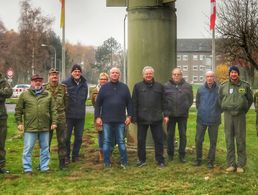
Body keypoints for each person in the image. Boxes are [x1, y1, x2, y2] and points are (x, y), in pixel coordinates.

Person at [15, 74, 57, 174]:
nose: (37, 82)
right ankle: (27, 168)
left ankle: (44, 167)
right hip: (30, 127)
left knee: (45, 148)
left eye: (39, 80)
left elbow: (53, 110)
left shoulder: (48, 94)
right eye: (35, 80)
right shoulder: (24, 95)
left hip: (45, 126)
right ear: (31, 82)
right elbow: (18, 110)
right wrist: (19, 122)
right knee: (28, 148)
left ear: (42, 82)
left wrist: (54, 122)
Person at [94, 67, 133, 169]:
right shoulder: (104, 88)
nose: (115, 74)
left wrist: (129, 116)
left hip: (121, 120)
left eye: (116, 73)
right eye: (113, 73)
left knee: (121, 141)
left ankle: (124, 162)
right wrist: (97, 117)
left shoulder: (124, 87)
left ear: (119, 75)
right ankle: (106, 163)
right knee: (106, 141)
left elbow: (129, 103)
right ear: (110, 75)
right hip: (106, 120)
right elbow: (98, 104)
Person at [219, 65, 253, 173]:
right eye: (232, 72)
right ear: (229, 74)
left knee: (240, 140)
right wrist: (225, 107)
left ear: (238, 74)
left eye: (235, 72)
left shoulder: (245, 86)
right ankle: (231, 164)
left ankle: (240, 165)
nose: (233, 74)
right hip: (228, 115)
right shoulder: (223, 86)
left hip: (240, 116)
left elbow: (250, 100)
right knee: (229, 139)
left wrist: (243, 109)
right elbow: (220, 99)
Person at [132, 66, 167, 168]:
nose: (148, 75)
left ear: (153, 74)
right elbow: (134, 102)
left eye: (150, 73)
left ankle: (160, 160)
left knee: (159, 140)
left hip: (156, 118)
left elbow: (164, 102)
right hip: (142, 118)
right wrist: (134, 117)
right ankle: (141, 160)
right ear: (143, 75)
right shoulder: (137, 86)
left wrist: (165, 114)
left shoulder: (159, 86)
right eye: (146, 74)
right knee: (141, 141)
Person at [164, 67, 193, 163]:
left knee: (183, 135)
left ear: (181, 75)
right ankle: (170, 154)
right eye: (174, 74)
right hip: (170, 115)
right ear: (172, 75)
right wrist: (166, 114)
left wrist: (185, 107)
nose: (176, 76)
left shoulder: (187, 86)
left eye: (178, 74)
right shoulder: (166, 86)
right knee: (170, 135)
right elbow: (163, 101)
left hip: (182, 115)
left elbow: (190, 99)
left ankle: (182, 155)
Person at [193, 71, 221, 169]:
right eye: (208, 76)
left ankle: (210, 161)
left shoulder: (219, 89)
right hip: (201, 119)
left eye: (211, 76)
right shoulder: (200, 89)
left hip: (214, 119)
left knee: (213, 141)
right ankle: (198, 159)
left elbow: (222, 104)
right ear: (205, 77)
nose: (209, 78)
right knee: (198, 140)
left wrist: (217, 112)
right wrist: (201, 111)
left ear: (214, 78)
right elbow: (197, 103)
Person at [62, 64, 88, 163]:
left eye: (79, 72)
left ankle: (75, 155)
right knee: (67, 137)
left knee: (79, 137)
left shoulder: (84, 83)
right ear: (71, 73)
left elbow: (85, 97)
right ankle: (67, 156)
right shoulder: (65, 83)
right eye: (75, 71)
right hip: (68, 115)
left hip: (80, 115)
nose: (77, 73)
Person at [44, 68, 68, 169]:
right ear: (49, 76)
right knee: (46, 141)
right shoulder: (44, 88)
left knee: (62, 140)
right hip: (48, 117)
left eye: (56, 75)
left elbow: (66, 103)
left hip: (60, 117)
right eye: (52, 75)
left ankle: (62, 163)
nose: (54, 77)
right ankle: (44, 163)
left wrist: (62, 112)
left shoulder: (63, 88)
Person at [91, 72, 109, 161]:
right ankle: (101, 153)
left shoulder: (111, 89)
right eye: (102, 79)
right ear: (99, 80)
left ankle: (108, 153)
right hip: (99, 116)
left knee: (109, 135)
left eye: (105, 79)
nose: (103, 81)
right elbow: (94, 103)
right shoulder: (94, 90)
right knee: (101, 135)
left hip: (109, 115)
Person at [0, 72, 12, 174]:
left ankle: (1, 166)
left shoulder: (3, 81)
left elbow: (9, 92)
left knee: (1, 142)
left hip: (1, 117)